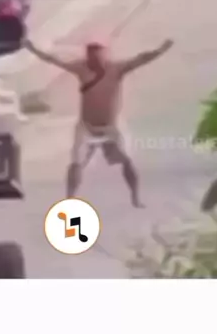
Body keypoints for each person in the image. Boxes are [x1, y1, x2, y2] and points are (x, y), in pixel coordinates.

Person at [25, 37, 174, 207]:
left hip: (112, 127)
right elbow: (54, 59)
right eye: (91, 57)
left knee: (127, 161)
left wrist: (160, 50)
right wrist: (33, 49)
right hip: (86, 127)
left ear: (104, 55)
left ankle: (135, 198)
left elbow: (141, 59)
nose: (94, 60)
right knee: (76, 164)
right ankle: (69, 200)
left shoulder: (117, 69)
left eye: (97, 56)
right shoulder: (81, 68)